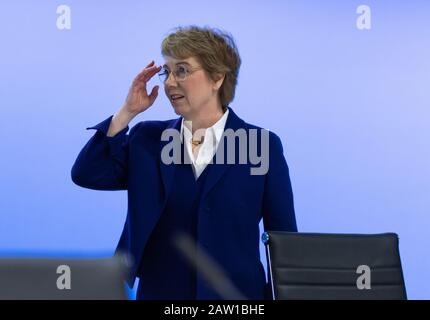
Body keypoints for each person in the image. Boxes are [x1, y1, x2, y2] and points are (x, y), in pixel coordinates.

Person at [71, 25, 297, 300]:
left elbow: (284, 242)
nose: (168, 83)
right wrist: (126, 113)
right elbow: (87, 173)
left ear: (217, 78)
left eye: (182, 71)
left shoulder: (263, 145)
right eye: (167, 71)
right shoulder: (148, 140)